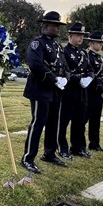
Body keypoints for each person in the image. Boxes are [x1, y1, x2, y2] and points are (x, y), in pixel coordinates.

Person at [21, 11, 69, 174]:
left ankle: (49, 153)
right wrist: (55, 79)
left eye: (58, 26)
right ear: (45, 26)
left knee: (53, 123)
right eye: (54, 26)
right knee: (38, 123)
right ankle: (28, 158)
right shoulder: (37, 43)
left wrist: (65, 78)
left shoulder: (57, 46)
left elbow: (64, 66)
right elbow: (36, 65)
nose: (57, 29)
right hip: (40, 89)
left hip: (55, 91)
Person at [57, 22, 95, 159]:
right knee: (63, 123)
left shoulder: (83, 53)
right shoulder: (64, 51)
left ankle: (78, 147)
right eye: (78, 35)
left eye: (83, 36)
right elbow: (64, 71)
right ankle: (62, 148)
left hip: (82, 93)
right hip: (68, 92)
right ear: (70, 35)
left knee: (80, 122)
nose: (81, 38)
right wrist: (78, 80)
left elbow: (91, 70)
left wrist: (89, 78)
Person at [86, 31, 103, 152]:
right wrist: (101, 88)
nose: (101, 44)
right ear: (91, 43)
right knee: (83, 120)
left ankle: (94, 143)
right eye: (99, 42)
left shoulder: (100, 58)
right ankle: (79, 146)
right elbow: (92, 76)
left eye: (102, 42)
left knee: (96, 121)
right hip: (90, 92)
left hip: (99, 95)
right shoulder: (87, 56)